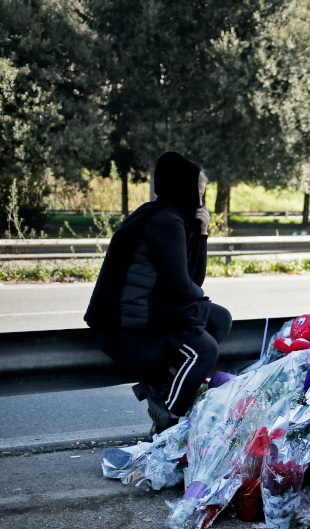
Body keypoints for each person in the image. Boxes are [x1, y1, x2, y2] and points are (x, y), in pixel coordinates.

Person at [84, 151, 232, 439]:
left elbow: (193, 280)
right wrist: (198, 298)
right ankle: (167, 422)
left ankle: (160, 383)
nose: (201, 201)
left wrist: (202, 232)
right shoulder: (164, 220)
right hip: (127, 320)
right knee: (206, 348)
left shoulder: (171, 216)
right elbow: (182, 286)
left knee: (219, 319)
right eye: (197, 193)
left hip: (146, 309)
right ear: (182, 189)